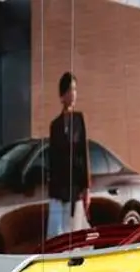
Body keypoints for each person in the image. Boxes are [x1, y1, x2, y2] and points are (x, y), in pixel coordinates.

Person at [46, 71, 91, 239]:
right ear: (62, 95)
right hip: (58, 191)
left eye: (75, 89)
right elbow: (52, 159)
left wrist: (87, 189)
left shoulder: (79, 120)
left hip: (75, 190)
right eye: (70, 90)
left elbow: (84, 153)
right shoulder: (55, 125)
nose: (73, 94)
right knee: (57, 235)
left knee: (75, 234)